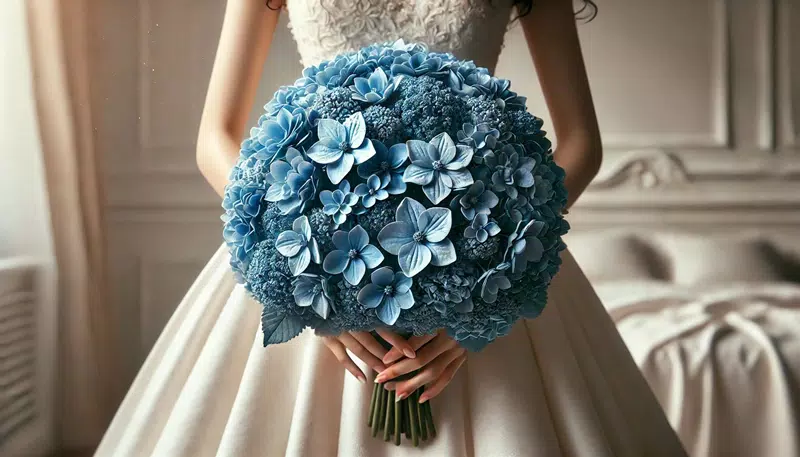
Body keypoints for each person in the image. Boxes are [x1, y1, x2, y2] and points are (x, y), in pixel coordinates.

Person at [95, 1, 688, 456]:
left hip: (479, 253)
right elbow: (215, 139)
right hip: (309, 249)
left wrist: (483, 307)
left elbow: (580, 141)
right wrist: (300, 278)